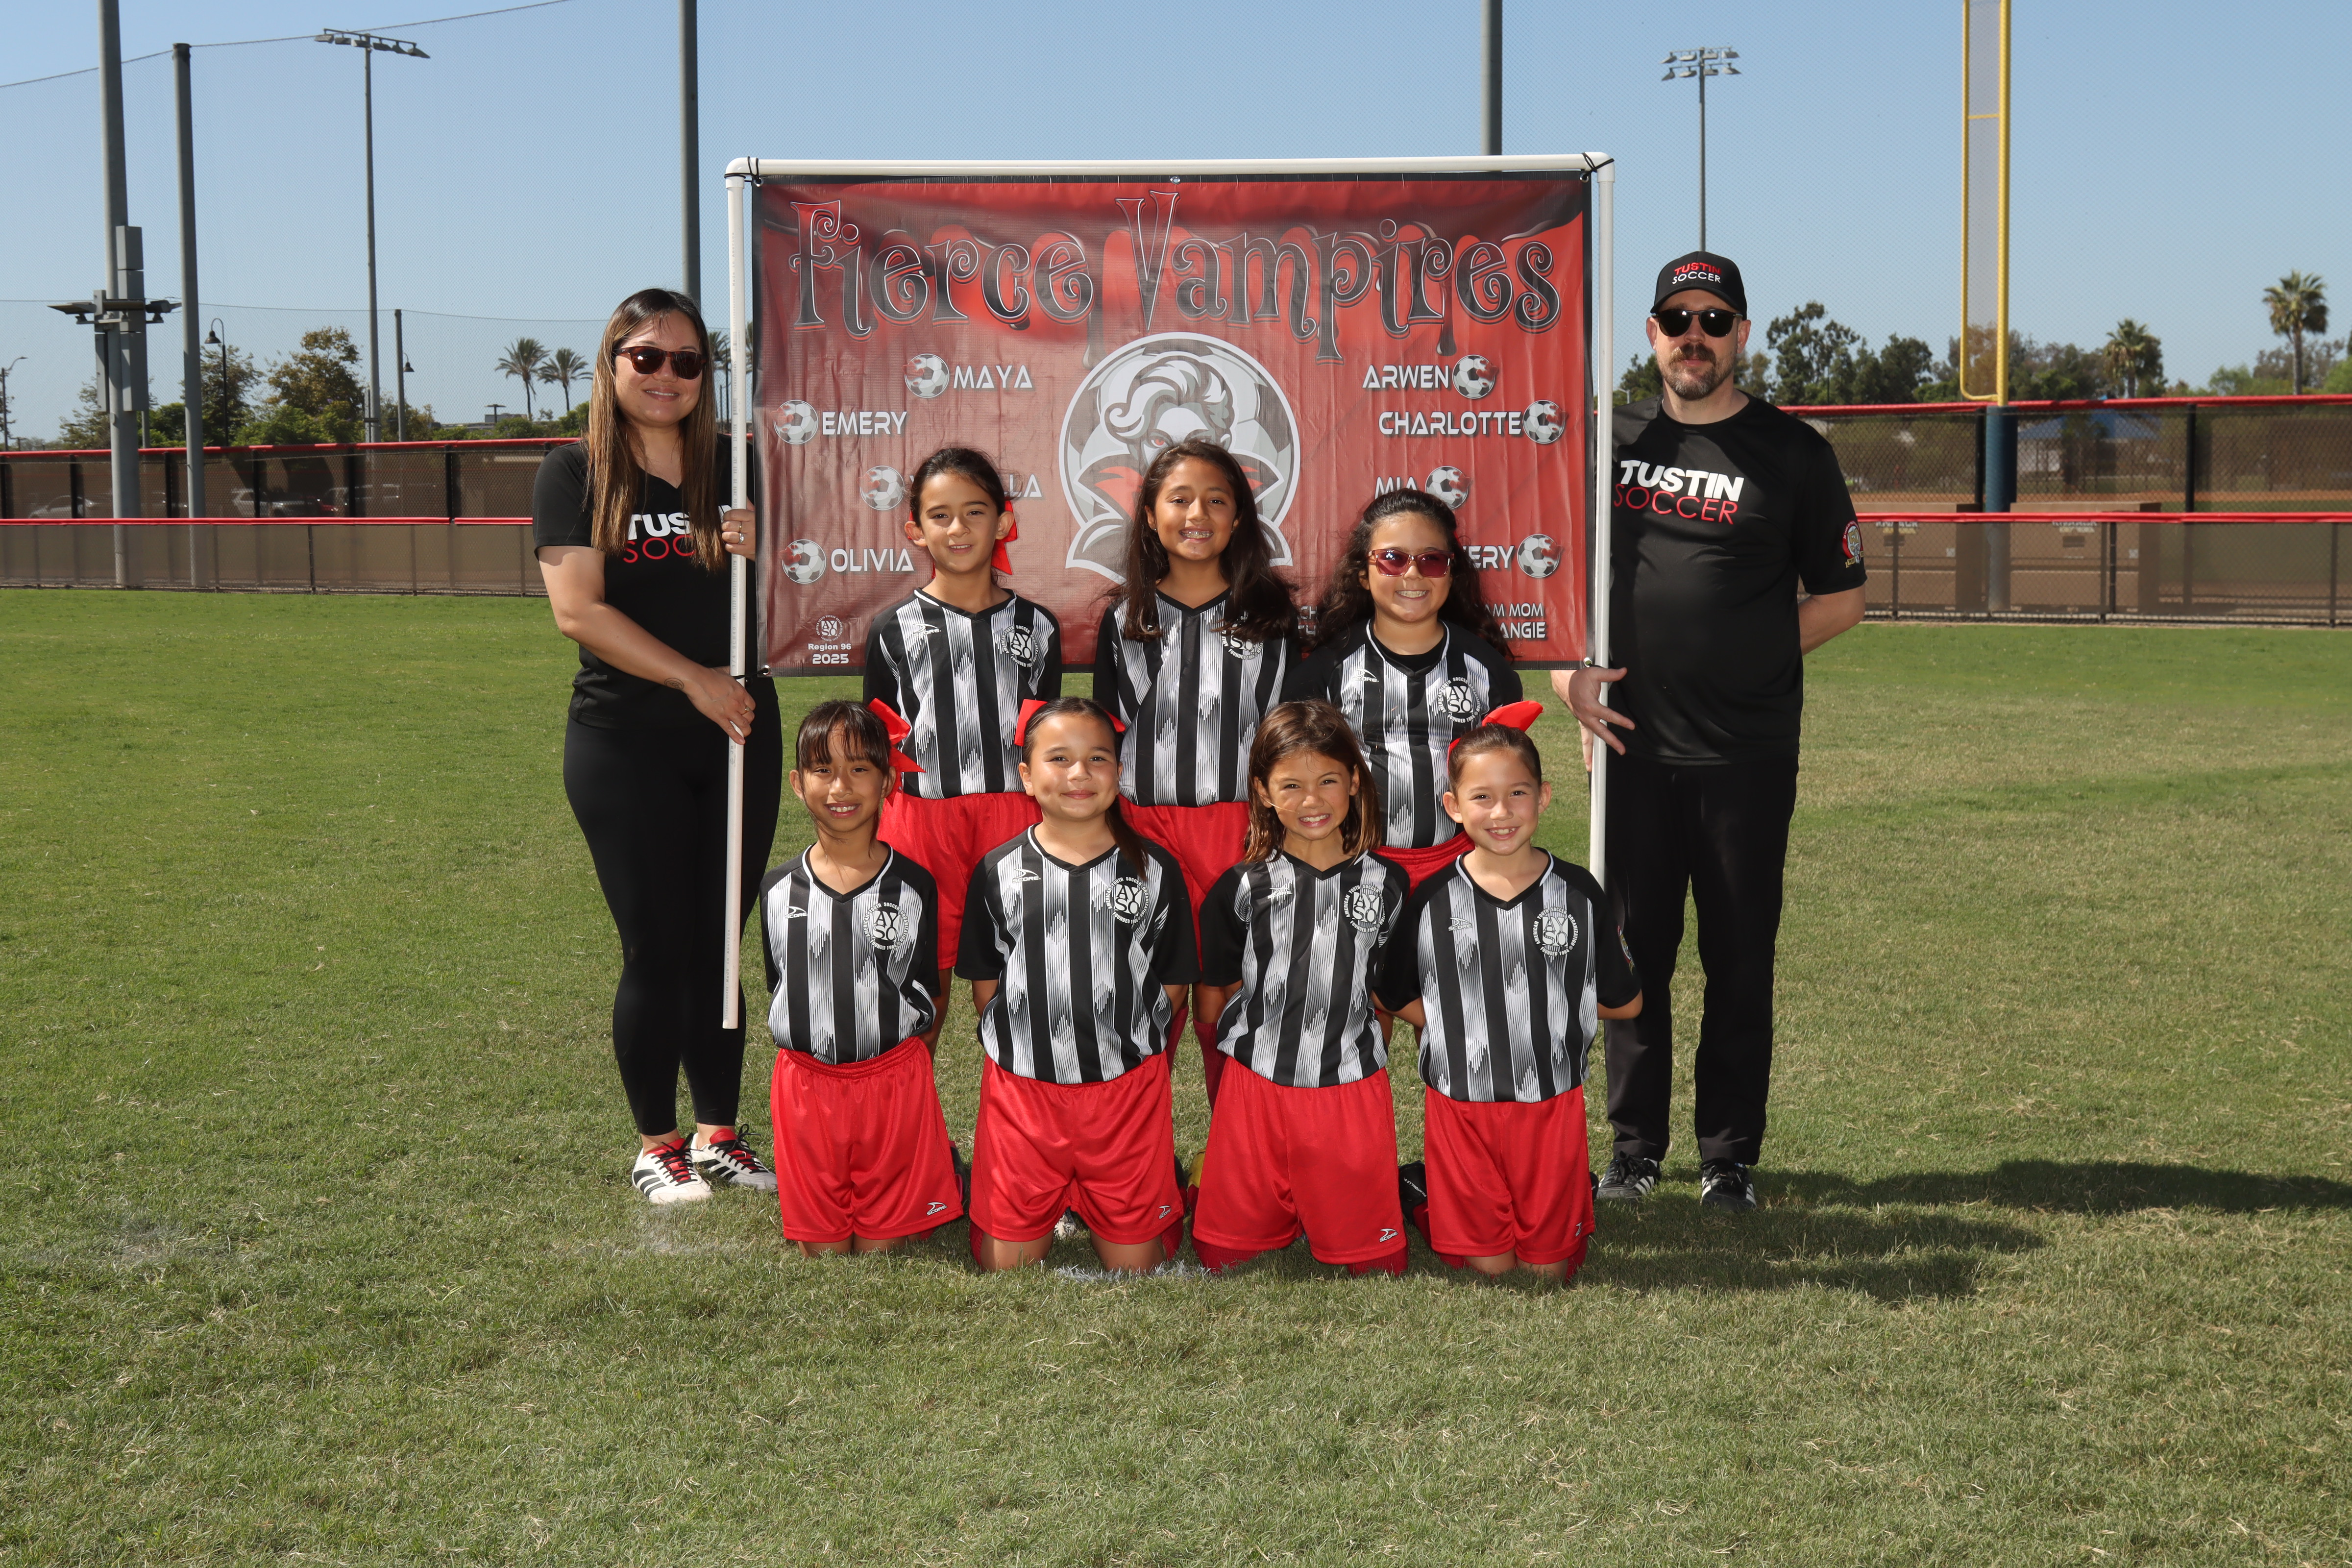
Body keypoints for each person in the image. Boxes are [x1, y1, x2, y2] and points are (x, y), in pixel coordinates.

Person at [1552, 251, 1867, 1214]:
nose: (1696, 337)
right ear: (1652, 333)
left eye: (1715, 320)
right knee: (1632, 959)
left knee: (1738, 960)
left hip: (1745, 758)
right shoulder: (1606, 441)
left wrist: (1748, 657)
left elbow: (1843, 598)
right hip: (1630, 750)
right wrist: (1567, 672)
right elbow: (1552, 573)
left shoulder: (1793, 453)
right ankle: (1635, 1152)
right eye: (1678, 320)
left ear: (1742, 335)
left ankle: (1729, 1157)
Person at [534, 286, 781, 1206]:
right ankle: (656, 1145)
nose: (666, 375)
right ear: (613, 365)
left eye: (687, 361)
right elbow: (579, 611)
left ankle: (720, 1134)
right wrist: (692, 679)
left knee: (720, 943)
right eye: (646, 357)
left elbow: (803, 589)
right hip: (627, 741)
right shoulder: (575, 471)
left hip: (739, 730)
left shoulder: (739, 466)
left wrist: (768, 547)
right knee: (657, 946)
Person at [1376, 708, 1642, 1284]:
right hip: (1461, 1104)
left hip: (1550, 1102)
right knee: (1492, 1270)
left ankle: (1548, 1198)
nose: (1501, 812)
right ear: (1453, 806)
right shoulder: (1431, 898)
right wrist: (1452, 1023)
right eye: (1482, 797)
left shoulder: (1579, 892)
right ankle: (1426, 1195)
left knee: (1547, 1272)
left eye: (1517, 793)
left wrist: (1549, 1005)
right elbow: (1392, 993)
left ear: (1543, 796)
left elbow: (1626, 1001)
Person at [1091, 436, 1298, 1102]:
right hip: (1143, 830)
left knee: (1230, 991)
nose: (1197, 514)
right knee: (1143, 992)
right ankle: (1139, 1156)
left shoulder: (1271, 617)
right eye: (1180, 499)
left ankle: (1233, 1149)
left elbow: (1288, 736)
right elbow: (1104, 735)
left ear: (1239, 517)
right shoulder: (1124, 618)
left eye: (1216, 500)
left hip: (1240, 831)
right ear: (1151, 515)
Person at [956, 697, 1194, 1273]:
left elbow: (1173, 980)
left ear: (1119, 772)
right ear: (1026, 775)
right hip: (1025, 1097)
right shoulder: (997, 870)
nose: (1079, 773)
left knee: (1138, 1268)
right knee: (1005, 1266)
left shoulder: (1155, 869)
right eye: (1059, 758)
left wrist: (1128, 1048)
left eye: (1097, 758)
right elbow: (987, 983)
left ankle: (1158, 1190)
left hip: (1123, 1096)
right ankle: (1016, 1191)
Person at [1190, 701, 1411, 1277]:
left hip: (1350, 1090)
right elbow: (1216, 994)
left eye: (1328, 781)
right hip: (1256, 1087)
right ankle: (1220, 1179)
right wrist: (1226, 1085)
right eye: (1291, 785)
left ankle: (1386, 1192)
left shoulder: (1389, 884)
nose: (1313, 800)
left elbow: (1385, 991)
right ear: (1263, 792)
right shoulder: (1241, 886)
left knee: (1377, 1263)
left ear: (1355, 781)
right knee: (1224, 1256)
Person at [757, 701, 961, 1255]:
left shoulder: (914, 885)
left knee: (880, 1249)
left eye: (859, 769)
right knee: (824, 1251)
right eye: (823, 770)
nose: (840, 787)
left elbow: (925, 988)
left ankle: (923, 1174)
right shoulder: (777, 889)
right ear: (798, 784)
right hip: (807, 1089)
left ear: (888, 781)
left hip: (891, 1083)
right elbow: (783, 982)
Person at [865, 447, 1062, 1000]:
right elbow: (881, 740)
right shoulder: (892, 628)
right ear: (916, 530)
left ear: (1003, 522)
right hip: (921, 820)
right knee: (918, 984)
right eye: (941, 515)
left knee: (1013, 984)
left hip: (1015, 816)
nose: (959, 528)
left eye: (975, 511)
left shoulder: (1038, 626)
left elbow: (1046, 736)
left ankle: (1013, 1060)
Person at [1290, 489, 1522, 891]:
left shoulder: (1488, 669)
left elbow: (1509, 780)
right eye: (1393, 559)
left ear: (1451, 572)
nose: (1412, 575)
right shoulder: (1326, 670)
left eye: (1431, 560)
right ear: (1363, 573)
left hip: (1462, 867)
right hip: (1353, 865)